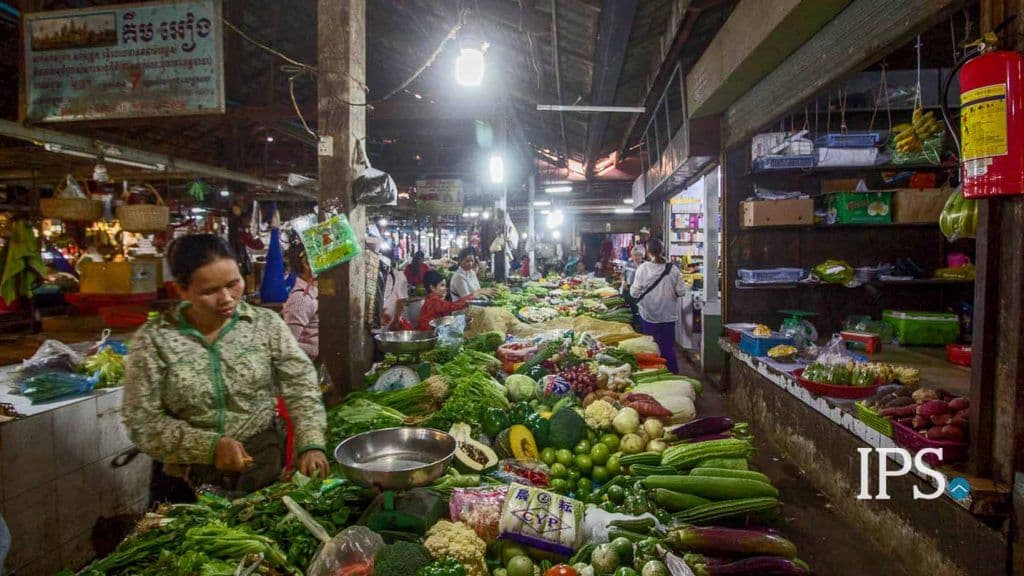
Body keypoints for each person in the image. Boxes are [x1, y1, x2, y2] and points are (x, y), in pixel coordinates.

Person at [123, 234, 329, 499]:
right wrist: (208, 447)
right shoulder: (155, 340)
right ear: (181, 291)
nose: (226, 299)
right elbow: (142, 421)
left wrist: (310, 443)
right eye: (209, 291)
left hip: (261, 466)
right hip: (187, 478)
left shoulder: (265, 326)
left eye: (234, 284)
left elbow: (300, 385)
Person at [630, 238, 686, 374]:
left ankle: (656, 374)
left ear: (647, 252)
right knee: (668, 346)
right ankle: (673, 374)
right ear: (662, 250)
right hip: (668, 316)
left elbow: (634, 293)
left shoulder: (643, 268)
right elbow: (681, 292)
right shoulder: (673, 269)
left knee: (651, 347)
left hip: (649, 315)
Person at [416, 270, 494, 331]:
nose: (445, 288)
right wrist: (475, 294)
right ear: (432, 287)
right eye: (442, 285)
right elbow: (452, 306)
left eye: (445, 285)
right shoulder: (433, 300)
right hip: (428, 333)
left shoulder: (433, 299)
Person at [282, 244, 318, 360]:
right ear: (306, 263)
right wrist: (317, 349)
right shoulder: (301, 299)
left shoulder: (314, 290)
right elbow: (287, 347)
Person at [382, 255, 411, 330]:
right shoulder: (399, 275)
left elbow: (401, 301)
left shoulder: (399, 275)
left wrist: (396, 320)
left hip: (388, 323)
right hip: (384, 323)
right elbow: (401, 301)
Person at [621, 245, 645, 319]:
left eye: (639, 255)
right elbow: (622, 274)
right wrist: (623, 282)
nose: (636, 257)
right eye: (635, 255)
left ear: (643, 255)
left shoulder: (645, 265)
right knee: (628, 311)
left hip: (640, 291)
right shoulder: (628, 263)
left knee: (639, 311)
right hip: (628, 289)